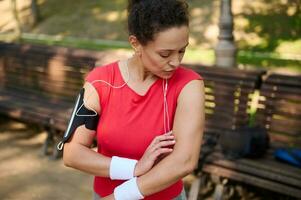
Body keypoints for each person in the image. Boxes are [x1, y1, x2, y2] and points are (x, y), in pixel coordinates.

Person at [62, 0, 205, 199]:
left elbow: (185, 160)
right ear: (135, 43)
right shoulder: (100, 82)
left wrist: (120, 196)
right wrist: (134, 168)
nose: (175, 62)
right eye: (165, 54)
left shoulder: (189, 85)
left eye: (182, 50)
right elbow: (72, 154)